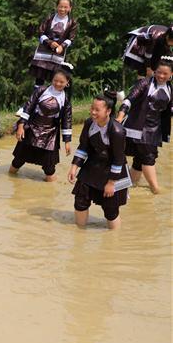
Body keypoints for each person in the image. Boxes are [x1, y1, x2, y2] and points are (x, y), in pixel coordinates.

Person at [68, 91, 131, 230]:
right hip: (92, 166)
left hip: (113, 172)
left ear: (108, 111)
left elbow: (118, 159)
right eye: (92, 108)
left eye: (97, 110)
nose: (93, 112)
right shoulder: (89, 123)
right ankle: (79, 235)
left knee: (110, 211)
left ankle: (114, 241)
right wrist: (74, 167)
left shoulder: (117, 131)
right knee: (80, 201)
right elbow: (83, 146)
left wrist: (111, 183)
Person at [116, 55, 172, 194]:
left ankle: (128, 187)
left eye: (165, 73)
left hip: (155, 130)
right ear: (155, 71)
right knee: (148, 158)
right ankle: (156, 190)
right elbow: (129, 100)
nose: (161, 75)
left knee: (139, 161)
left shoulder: (170, 88)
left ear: (171, 74)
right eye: (159, 72)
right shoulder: (145, 83)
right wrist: (120, 117)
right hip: (138, 127)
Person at [10, 62, 74, 181]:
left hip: (50, 135)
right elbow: (28, 107)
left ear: (67, 83)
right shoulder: (41, 90)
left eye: (61, 82)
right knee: (17, 161)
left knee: (49, 169)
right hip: (31, 129)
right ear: (52, 79)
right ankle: (10, 179)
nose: (57, 84)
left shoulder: (65, 100)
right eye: (55, 80)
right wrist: (21, 126)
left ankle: (51, 193)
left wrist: (67, 142)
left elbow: (67, 121)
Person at [28, 0, 78, 90]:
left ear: (70, 8)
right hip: (43, 52)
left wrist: (61, 46)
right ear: (56, 6)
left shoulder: (72, 22)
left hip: (58, 54)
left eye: (65, 7)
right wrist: (49, 42)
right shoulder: (49, 18)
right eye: (60, 6)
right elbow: (40, 33)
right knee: (40, 78)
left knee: (55, 78)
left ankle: (52, 101)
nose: (62, 9)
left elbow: (71, 38)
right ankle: (36, 100)